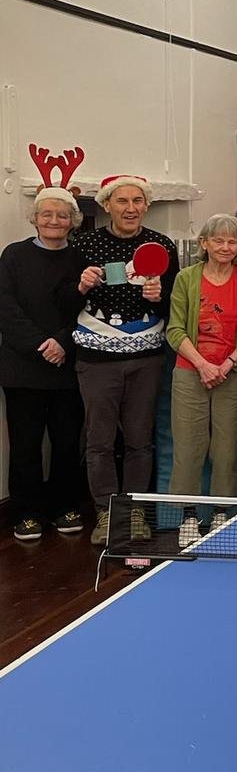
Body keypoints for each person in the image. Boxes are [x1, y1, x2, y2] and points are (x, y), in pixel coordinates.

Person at [73, 175, 179, 544]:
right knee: (99, 440)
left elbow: (175, 306)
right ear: (107, 206)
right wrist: (80, 286)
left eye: (137, 201)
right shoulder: (84, 244)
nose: (130, 208)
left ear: (146, 206)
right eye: (122, 201)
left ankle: (134, 511)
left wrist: (158, 297)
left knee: (139, 439)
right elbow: (61, 303)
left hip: (147, 359)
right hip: (96, 359)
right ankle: (105, 511)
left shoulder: (161, 244)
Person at [0, 187, 87, 541]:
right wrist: (40, 344)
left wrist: (63, 342)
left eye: (62, 215)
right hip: (23, 369)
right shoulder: (13, 256)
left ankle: (66, 506)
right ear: (35, 218)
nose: (54, 221)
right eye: (47, 214)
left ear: (73, 222)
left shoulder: (81, 259)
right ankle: (27, 513)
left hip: (69, 368)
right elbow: (6, 308)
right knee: (25, 444)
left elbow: (86, 308)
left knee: (67, 443)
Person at [166, 214, 237, 524]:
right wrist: (203, 365)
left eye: (232, 241)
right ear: (204, 243)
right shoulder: (186, 278)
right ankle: (189, 517)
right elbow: (175, 330)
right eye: (218, 240)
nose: (225, 246)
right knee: (189, 447)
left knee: (226, 448)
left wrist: (228, 363)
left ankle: (221, 513)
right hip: (190, 371)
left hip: (233, 375)